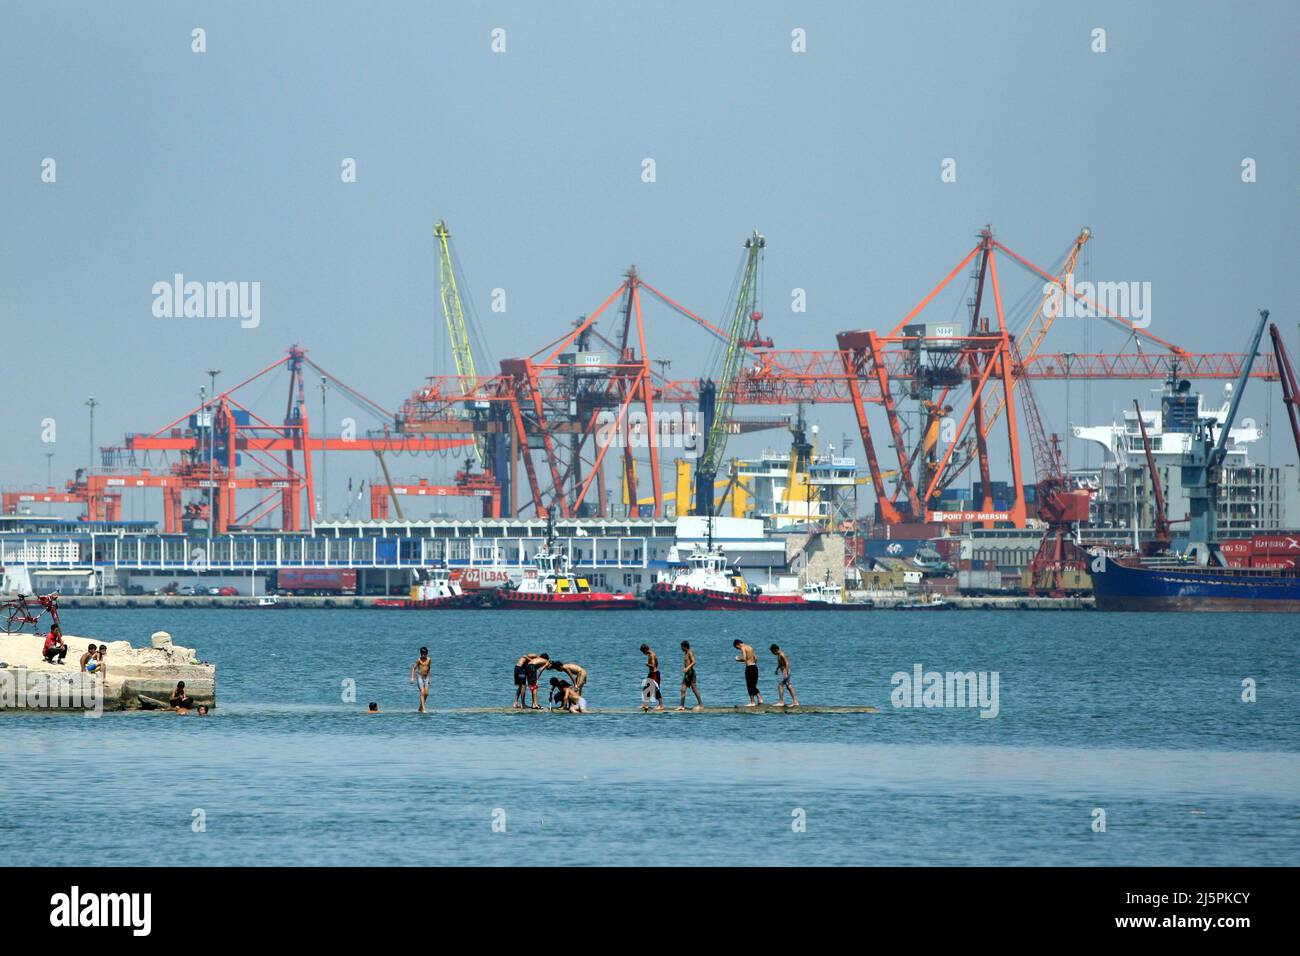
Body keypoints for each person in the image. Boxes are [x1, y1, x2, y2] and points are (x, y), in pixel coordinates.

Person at [734, 639, 762, 706]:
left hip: (749, 667)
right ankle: (759, 698)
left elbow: (744, 658)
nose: (738, 649)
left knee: (749, 685)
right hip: (754, 667)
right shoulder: (750, 647)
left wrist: (737, 659)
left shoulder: (743, 648)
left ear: (738, 644)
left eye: (737, 648)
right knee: (753, 684)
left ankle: (752, 702)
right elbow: (756, 658)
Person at [678, 640, 703, 711]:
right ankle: (682, 706)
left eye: (682, 647)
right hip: (687, 674)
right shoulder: (686, 653)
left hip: (691, 674)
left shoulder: (690, 652)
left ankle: (701, 704)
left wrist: (687, 668)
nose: (681, 648)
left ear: (685, 647)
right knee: (682, 689)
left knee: (694, 689)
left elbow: (694, 661)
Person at [640, 644, 663, 711]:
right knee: (646, 688)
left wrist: (647, 664)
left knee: (655, 689)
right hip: (651, 674)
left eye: (643, 652)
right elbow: (657, 663)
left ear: (645, 649)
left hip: (654, 674)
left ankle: (661, 705)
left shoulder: (652, 655)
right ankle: (645, 704)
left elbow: (653, 665)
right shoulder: (650, 654)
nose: (643, 653)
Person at [410, 646, 432, 713]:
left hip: (427, 677)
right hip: (420, 676)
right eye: (422, 653)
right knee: (422, 692)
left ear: (427, 653)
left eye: (425, 653)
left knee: (426, 693)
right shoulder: (418, 660)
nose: (423, 655)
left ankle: (420, 707)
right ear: (420, 653)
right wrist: (412, 678)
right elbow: (413, 668)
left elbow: (429, 668)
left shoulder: (429, 659)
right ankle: (423, 709)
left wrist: (429, 678)